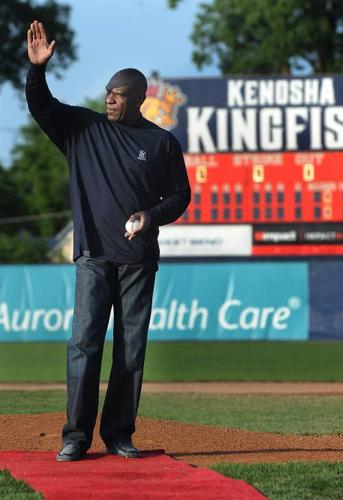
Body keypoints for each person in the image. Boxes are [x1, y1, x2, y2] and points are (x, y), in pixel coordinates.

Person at [26, 20, 191, 462]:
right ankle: (75, 437)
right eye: (107, 92)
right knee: (84, 345)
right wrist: (37, 70)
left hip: (138, 260)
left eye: (118, 93)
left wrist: (150, 216)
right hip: (93, 257)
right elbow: (42, 107)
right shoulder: (82, 129)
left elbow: (180, 197)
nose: (109, 98)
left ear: (139, 99)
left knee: (131, 351)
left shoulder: (161, 144)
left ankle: (118, 434)